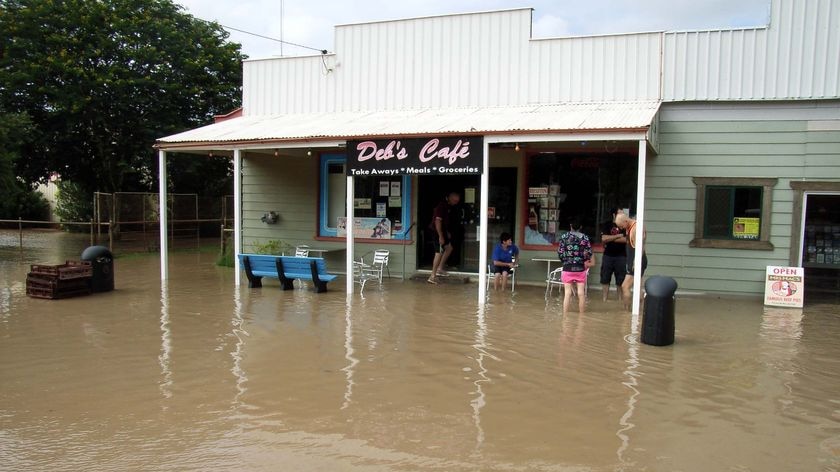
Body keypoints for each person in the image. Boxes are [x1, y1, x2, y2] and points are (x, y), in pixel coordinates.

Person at [556, 219, 594, 313]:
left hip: (567, 267)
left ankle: (565, 316)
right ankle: (582, 315)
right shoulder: (584, 237)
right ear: (580, 227)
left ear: (571, 225)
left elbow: (560, 252)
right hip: (580, 268)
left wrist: (565, 261)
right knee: (581, 293)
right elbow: (589, 252)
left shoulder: (564, 237)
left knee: (567, 293)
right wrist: (584, 260)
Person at [615, 212, 648, 311]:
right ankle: (640, 311)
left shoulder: (636, 228)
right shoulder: (628, 226)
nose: (621, 228)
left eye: (621, 226)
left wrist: (635, 262)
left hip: (637, 261)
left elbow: (641, 246)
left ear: (625, 221)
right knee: (638, 288)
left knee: (625, 286)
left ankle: (627, 312)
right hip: (633, 260)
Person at [427, 191, 460, 284]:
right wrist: (441, 236)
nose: (456, 203)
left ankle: (440, 268)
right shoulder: (442, 206)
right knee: (439, 252)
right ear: (449, 198)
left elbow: (444, 222)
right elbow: (438, 221)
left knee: (449, 248)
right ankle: (432, 276)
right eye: (454, 200)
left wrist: (446, 232)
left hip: (442, 231)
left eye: (457, 201)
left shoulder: (448, 206)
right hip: (436, 231)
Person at [600, 208, 627, 302]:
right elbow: (603, 239)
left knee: (621, 279)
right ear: (614, 215)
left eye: (623, 214)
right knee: (605, 277)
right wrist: (618, 236)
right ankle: (604, 299)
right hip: (608, 255)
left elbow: (625, 240)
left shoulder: (625, 225)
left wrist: (610, 238)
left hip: (621, 256)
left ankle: (619, 300)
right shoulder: (607, 224)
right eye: (620, 214)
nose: (622, 216)